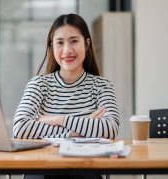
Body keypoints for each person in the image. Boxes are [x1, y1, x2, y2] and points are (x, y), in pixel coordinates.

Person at [13, 14, 120, 179]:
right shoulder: (38, 84)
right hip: (41, 169)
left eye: (74, 41)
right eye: (60, 43)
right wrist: (74, 132)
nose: (67, 50)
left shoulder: (102, 86)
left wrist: (59, 119)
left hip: (85, 169)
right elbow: (20, 128)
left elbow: (110, 129)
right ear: (52, 46)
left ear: (87, 43)